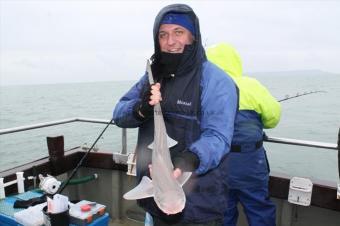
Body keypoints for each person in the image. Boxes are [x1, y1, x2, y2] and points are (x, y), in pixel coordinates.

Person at [113, 4, 238, 226]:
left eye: (178, 32)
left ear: (193, 37)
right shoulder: (151, 78)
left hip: (200, 206)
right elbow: (118, 114)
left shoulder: (216, 82)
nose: (170, 41)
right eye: (163, 35)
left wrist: (190, 159)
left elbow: (218, 136)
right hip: (155, 202)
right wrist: (140, 109)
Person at [206, 43, 281, 226]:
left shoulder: (205, 90)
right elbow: (273, 118)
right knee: (259, 209)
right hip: (251, 163)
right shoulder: (252, 86)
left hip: (218, 164)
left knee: (224, 212)